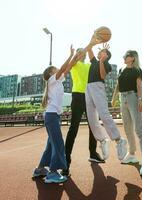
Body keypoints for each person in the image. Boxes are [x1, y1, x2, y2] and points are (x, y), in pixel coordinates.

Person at [32, 45, 79, 183]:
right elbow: (65, 67)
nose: (58, 69)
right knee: (58, 143)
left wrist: (76, 57)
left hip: (52, 116)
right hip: (52, 116)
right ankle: (52, 172)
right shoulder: (52, 80)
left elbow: (68, 68)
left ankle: (40, 168)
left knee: (51, 144)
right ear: (51, 74)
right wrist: (70, 55)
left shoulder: (57, 80)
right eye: (55, 69)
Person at [83, 36, 127, 161]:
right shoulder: (94, 62)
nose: (99, 51)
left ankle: (119, 140)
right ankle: (102, 140)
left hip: (98, 86)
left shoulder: (106, 64)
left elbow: (102, 76)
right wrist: (92, 40)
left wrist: (102, 61)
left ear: (106, 55)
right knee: (91, 119)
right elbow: (89, 50)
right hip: (89, 88)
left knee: (104, 114)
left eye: (102, 51)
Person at [63, 48, 104, 177]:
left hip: (90, 96)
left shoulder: (90, 65)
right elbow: (66, 70)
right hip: (77, 96)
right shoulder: (75, 63)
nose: (81, 53)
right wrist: (73, 55)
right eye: (79, 52)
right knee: (73, 128)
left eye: (83, 52)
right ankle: (65, 161)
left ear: (86, 54)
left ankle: (93, 153)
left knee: (94, 126)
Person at [111, 50, 142, 176]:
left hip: (133, 97)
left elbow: (139, 86)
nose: (123, 57)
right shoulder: (121, 70)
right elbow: (118, 85)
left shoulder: (137, 70)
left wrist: (140, 99)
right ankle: (132, 154)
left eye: (126, 55)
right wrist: (114, 97)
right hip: (122, 99)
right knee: (127, 128)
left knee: (139, 129)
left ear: (132, 58)